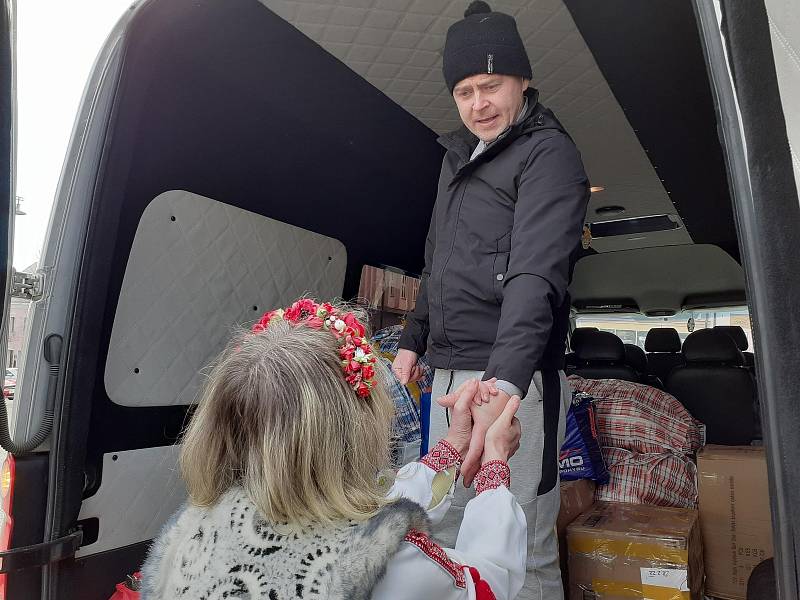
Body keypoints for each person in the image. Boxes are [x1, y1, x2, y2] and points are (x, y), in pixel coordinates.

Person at [392, 2, 590, 598]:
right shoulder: (456, 159)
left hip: (513, 378)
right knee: (446, 523)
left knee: (520, 539)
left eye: (491, 85)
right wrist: (411, 340)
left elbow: (535, 277)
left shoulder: (548, 154)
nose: (479, 104)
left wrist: (502, 384)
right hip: (449, 374)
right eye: (464, 91)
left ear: (522, 81)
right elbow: (439, 262)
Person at [140, 298, 526, 600]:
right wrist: (494, 463)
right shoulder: (383, 562)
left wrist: (454, 446)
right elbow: (488, 582)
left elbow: (358, 507)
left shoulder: (194, 530)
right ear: (353, 428)